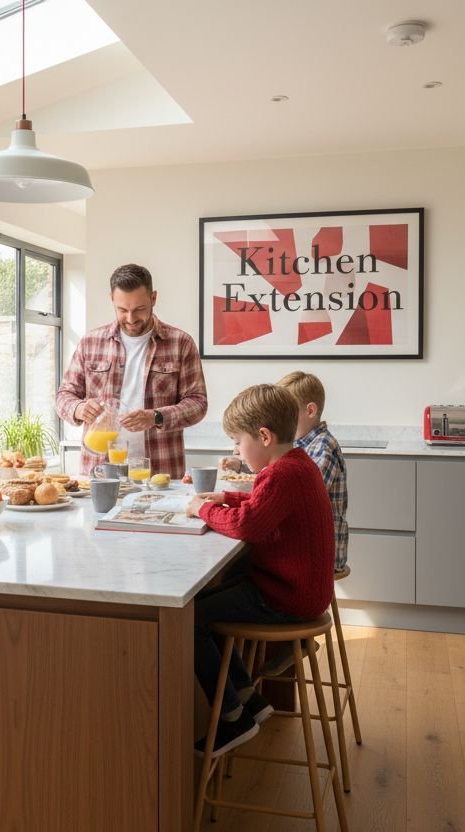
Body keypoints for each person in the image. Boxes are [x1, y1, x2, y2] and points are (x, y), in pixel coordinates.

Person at [184, 384, 335, 756]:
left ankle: (233, 718)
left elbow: (249, 525)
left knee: (192, 618)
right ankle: (248, 698)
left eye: (237, 442)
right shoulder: (296, 463)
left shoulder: (281, 474)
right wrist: (226, 497)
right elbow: (263, 503)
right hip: (297, 589)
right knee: (206, 601)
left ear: (264, 437)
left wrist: (202, 509)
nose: (236, 451)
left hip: (287, 596)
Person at [55, 263, 207, 477]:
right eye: (122, 310)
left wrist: (156, 417)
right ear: (112, 300)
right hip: (100, 472)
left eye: (139, 309)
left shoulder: (180, 343)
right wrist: (79, 408)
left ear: (153, 298)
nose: (131, 318)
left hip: (159, 474)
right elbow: (64, 396)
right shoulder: (91, 342)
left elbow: (198, 403)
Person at [223, 371, 348, 571]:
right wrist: (234, 481)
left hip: (322, 553)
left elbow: (291, 496)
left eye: (287, 412)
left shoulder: (322, 446)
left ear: (310, 410)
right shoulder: (298, 448)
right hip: (306, 546)